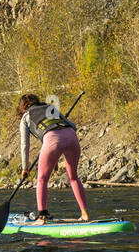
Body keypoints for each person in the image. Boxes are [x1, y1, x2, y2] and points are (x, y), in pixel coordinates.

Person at [18, 94, 90, 222]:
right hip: (71, 137)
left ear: (23, 107)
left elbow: (25, 145)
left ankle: (42, 217)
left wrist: (25, 168)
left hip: (51, 141)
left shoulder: (25, 117)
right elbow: (73, 126)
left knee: (42, 179)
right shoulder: (50, 108)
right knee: (73, 178)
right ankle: (85, 214)